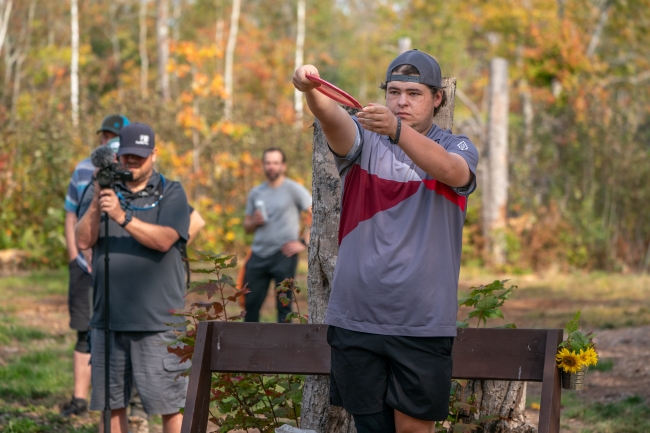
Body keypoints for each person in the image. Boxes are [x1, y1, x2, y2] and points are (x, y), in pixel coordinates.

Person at [292, 50, 479, 433]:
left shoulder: (457, 146)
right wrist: (310, 87)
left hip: (422, 320)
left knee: (413, 430)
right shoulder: (363, 143)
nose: (402, 101)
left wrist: (396, 129)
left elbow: (451, 171)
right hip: (357, 316)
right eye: (394, 92)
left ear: (437, 98)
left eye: (414, 93)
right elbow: (330, 116)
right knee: (370, 428)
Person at [76, 123, 191, 433]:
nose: (133, 163)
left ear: (154, 154)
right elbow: (83, 241)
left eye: (140, 157)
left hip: (158, 325)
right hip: (108, 322)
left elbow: (165, 239)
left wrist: (121, 217)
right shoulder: (103, 189)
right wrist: (99, 197)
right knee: (110, 408)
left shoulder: (171, 191)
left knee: (171, 408)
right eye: (127, 157)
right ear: (118, 157)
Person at [61, 114, 129, 417]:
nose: (107, 140)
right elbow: (70, 213)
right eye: (104, 135)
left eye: (114, 135)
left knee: (125, 332)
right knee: (82, 329)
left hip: (121, 268)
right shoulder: (82, 169)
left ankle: (127, 403)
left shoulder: (134, 172)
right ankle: (78, 399)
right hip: (84, 264)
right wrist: (74, 254)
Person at [242, 148, 312, 322]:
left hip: (284, 254)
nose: (271, 167)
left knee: (284, 307)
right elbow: (246, 227)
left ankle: (283, 347)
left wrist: (303, 243)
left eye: (275, 163)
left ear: (283, 166)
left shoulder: (294, 189)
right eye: (268, 163)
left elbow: (318, 213)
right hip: (258, 254)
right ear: (263, 166)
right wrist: (254, 222)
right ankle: (249, 347)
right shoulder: (256, 192)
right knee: (250, 305)